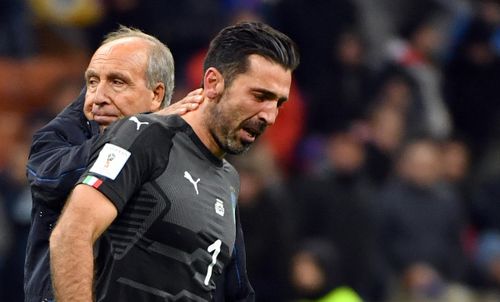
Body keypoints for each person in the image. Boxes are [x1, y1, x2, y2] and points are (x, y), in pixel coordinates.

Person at [49, 21, 299, 301]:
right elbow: (72, 233)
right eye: (259, 96)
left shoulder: (229, 181)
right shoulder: (145, 136)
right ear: (213, 83)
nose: (270, 116)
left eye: (278, 103)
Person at [24, 26, 205, 302]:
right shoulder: (62, 135)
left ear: (157, 95)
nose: (97, 98)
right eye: (92, 82)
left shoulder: (191, 163)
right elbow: (48, 180)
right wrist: (138, 130)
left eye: (117, 82)